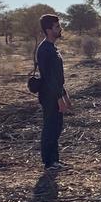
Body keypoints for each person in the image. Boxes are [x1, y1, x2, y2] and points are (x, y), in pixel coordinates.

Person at [36, 13, 71, 170]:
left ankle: (55, 160)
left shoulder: (52, 48)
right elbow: (49, 78)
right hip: (49, 96)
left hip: (55, 93)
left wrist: (65, 95)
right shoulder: (45, 50)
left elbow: (57, 78)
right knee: (50, 127)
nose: (60, 28)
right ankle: (49, 162)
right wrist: (58, 99)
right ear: (48, 29)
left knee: (56, 127)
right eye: (57, 26)